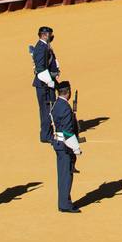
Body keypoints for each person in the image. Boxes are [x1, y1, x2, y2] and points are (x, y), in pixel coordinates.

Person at [50, 80, 82, 212]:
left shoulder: (57, 104)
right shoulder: (65, 108)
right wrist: (76, 148)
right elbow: (68, 132)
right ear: (68, 92)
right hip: (65, 145)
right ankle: (65, 204)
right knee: (66, 176)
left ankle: (64, 202)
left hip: (58, 143)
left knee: (63, 175)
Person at [31, 26, 59, 144]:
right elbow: (40, 69)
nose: (51, 36)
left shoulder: (44, 46)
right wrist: (50, 82)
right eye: (50, 34)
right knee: (46, 109)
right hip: (44, 84)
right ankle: (46, 135)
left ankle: (48, 133)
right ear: (44, 35)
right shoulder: (41, 48)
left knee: (49, 108)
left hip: (46, 82)